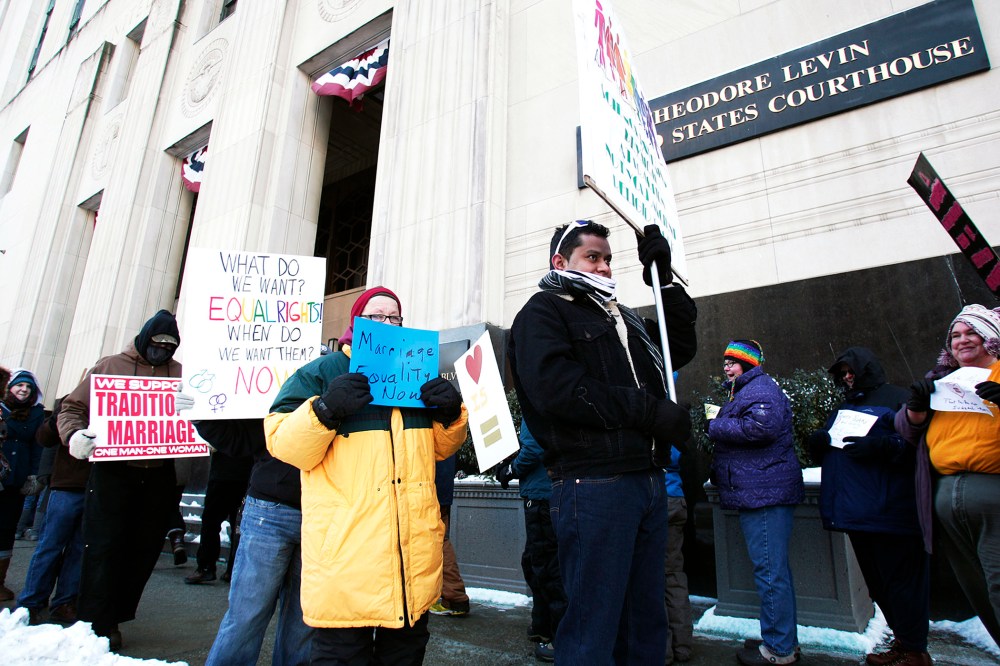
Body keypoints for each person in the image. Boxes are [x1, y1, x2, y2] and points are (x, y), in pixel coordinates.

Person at [508, 220, 697, 664]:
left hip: (647, 481)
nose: (605, 267)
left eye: (609, 259)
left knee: (645, 623)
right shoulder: (543, 312)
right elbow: (558, 390)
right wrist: (650, 412)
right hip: (594, 485)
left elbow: (676, 348)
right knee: (594, 626)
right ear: (561, 261)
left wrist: (663, 280)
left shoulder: (620, 316)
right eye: (593, 257)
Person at [265, 286, 469, 664]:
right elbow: (283, 444)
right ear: (357, 323)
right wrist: (324, 410)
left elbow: (441, 448)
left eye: (394, 317)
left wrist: (451, 413)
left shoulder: (416, 373)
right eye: (377, 316)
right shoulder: (320, 373)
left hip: (411, 563)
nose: (387, 323)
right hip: (347, 564)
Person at [59, 309, 183, 650]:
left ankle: (116, 615)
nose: (161, 351)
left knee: (142, 550)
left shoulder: (182, 374)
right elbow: (71, 408)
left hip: (157, 474)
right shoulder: (109, 366)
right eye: (156, 344)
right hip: (113, 472)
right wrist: (74, 436)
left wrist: (196, 409)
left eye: (169, 346)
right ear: (144, 340)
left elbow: (201, 415)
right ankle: (96, 620)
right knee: (103, 545)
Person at [808, 347, 929, 666]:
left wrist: (884, 446)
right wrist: (819, 444)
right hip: (856, 512)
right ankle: (905, 644)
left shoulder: (899, 398)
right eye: (843, 373)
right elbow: (839, 449)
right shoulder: (844, 406)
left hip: (891, 512)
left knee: (902, 584)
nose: (848, 377)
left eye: (853, 370)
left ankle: (915, 651)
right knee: (880, 585)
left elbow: (920, 445)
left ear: (868, 369)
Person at [895, 304, 1000, 649]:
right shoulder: (939, 381)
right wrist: (916, 408)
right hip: (945, 497)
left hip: (992, 493)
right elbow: (908, 433)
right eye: (955, 335)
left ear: (991, 339)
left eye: (972, 333)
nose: (962, 340)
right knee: (977, 588)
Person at [706, 340, 803, 666]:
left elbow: (760, 428)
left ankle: (779, 650)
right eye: (725, 363)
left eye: (732, 362)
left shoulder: (760, 389)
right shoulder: (748, 390)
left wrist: (715, 425)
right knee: (773, 571)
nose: (726, 368)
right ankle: (782, 640)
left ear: (749, 364)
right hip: (761, 492)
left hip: (765, 495)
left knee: (769, 572)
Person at [496, 419, 565, 664]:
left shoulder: (534, 404)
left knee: (547, 569)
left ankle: (558, 639)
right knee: (535, 564)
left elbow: (533, 449)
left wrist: (511, 470)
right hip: (544, 495)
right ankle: (542, 625)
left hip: (541, 497)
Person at [17, 396, 90, 626]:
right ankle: (31, 602)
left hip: (96, 488)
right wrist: (59, 416)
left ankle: (64, 602)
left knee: (79, 549)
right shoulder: (71, 402)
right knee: (51, 544)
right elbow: (44, 438)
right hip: (67, 486)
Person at [0, 369, 45, 602]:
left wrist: (34, 476)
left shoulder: (36, 415)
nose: (24, 390)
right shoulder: (1, 409)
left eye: (28, 387)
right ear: (11, 387)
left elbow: (38, 448)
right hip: (0, 474)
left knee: (6, 529)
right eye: (20, 385)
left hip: (17, 481)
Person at [184, 447, 253, 584]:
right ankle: (223, 567)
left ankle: (208, 567)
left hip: (232, 470)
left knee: (222, 522)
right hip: (238, 470)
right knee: (228, 523)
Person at [429, 453, 471, 616]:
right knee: (441, 539)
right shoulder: (447, 427)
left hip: (432, 490)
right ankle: (453, 597)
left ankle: (455, 597)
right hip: (442, 489)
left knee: (440, 541)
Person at [664, 444, 693, 664]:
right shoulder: (673, 417)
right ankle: (682, 646)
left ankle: (661, 650)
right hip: (676, 497)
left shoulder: (650, 415)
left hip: (655, 499)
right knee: (673, 574)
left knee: (651, 578)